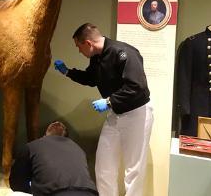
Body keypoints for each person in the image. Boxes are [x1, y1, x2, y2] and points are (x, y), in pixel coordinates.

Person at [53, 23, 153, 196]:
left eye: (78, 46)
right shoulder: (97, 57)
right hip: (115, 113)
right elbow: (91, 78)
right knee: (104, 165)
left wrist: (108, 102)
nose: (79, 51)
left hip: (137, 114)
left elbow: (137, 87)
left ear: (88, 43)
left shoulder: (124, 53)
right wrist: (68, 72)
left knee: (134, 169)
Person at [9, 121, 98, 196]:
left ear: (45, 135)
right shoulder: (79, 149)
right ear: (66, 137)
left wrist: (34, 188)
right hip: (89, 193)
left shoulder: (32, 146)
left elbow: (16, 184)